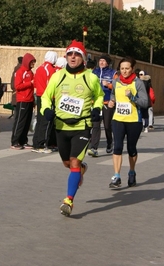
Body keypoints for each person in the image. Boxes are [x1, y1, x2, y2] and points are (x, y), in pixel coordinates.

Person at [41, 40, 104, 216]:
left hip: (82, 126)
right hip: (61, 126)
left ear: (82, 58)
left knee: (74, 161)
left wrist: (97, 108)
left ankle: (68, 200)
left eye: (77, 54)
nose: (73, 57)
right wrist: (46, 109)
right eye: (70, 54)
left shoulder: (90, 77)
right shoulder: (58, 76)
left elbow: (99, 96)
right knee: (67, 163)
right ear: (66, 56)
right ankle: (81, 170)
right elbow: (46, 96)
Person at [107, 56, 149, 189]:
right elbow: (113, 94)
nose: (124, 71)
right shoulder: (116, 82)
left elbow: (145, 102)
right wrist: (111, 101)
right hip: (118, 119)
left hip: (133, 121)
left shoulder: (138, 83)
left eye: (127, 68)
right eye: (122, 68)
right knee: (117, 147)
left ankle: (131, 172)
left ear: (132, 69)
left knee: (131, 148)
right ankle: (116, 176)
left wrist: (132, 96)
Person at [88, 54, 116, 157]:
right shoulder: (94, 72)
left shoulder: (113, 73)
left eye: (104, 61)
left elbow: (118, 87)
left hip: (107, 102)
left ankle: (109, 143)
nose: (101, 62)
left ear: (107, 63)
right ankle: (94, 148)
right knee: (95, 125)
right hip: (95, 103)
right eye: (100, 61)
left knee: (107, 126)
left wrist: (108, 85)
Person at [32, 51, 57, 153]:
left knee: (40, 120)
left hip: (39, 95)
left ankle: (36, 143)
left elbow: (35, 83)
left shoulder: (39, 68)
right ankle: (42, 144)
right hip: (47, 97)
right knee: (46, 121)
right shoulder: (50, 70)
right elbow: (52, 85)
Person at [10, 53, 36, 150]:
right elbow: (18, 86)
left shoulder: (31, 72)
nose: (33, 63)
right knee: (20, 121)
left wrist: (33, 100)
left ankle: (23, 141)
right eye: (32, 62)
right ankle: (15, 141)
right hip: (22, 100)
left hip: (29, 99)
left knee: (27, 122)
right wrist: (30, 83)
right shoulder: (20, 72)